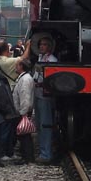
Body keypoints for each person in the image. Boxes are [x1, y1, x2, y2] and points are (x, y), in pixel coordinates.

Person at [0, 38, 31, 160]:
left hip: (1, 94)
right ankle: (3, 152)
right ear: (7, 49)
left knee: (7, 124)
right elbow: (23, 59)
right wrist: (28, 46)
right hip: (9, 96)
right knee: (7, 125)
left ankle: (7, 151)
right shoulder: (6, 62)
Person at [34, 35, 57, 164]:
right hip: (38, 94)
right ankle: (43, 150)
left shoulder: (52, 60)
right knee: (40, 123)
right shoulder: (40, 58)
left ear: (49, 47)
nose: (42, 46)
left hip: (45, 96)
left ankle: (46, 153)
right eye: (41, 44)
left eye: (44, 45)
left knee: (45, 124)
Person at [12, 58, 35, 164]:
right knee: (24, 135)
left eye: (17, 65)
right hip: (23, 110)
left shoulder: (25, 79)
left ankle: (28, 158)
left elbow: (25, 96)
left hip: (23, 111)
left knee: (24, 135)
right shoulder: (25, 78)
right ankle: (26, 157)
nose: (15, 67)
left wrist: (23, 112)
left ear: (21, 66)